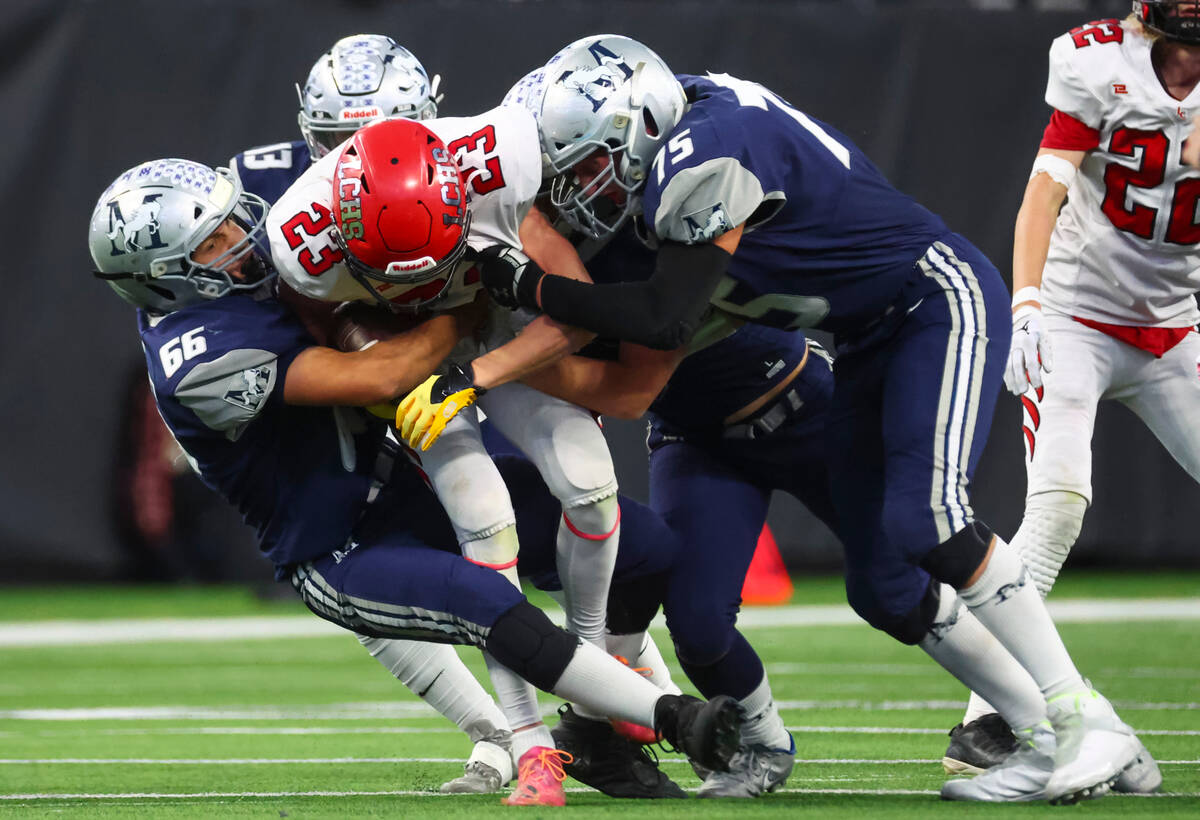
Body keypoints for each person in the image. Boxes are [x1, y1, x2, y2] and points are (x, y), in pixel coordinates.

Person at [449, 35, 1150, 803]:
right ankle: (1072, 736)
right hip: (861, 336)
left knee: (934, 521)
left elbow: (660, 318)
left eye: (582, 166)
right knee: (884, 585)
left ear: (637, 132)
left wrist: (522, 298)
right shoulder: (668, 130)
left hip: (929, 297)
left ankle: (1083, 723)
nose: (569, 187)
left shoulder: (700, 157)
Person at [87, 157, 742, 806]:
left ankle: (597, 732)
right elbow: (384, 375)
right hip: (344, 547)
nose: (241, 236)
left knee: (644, 544)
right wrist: (459, 287)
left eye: (231, 218)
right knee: (490, 605)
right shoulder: (199, 359)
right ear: (167, 278)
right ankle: (675, 718)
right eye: (214, 241)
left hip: (410, 489)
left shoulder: (260, 242)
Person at [265, 106, 636, 799]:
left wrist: (480, 368)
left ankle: (589, 677)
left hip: (497, 329)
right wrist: (390, 356)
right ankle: (531, 746)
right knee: (483, 513)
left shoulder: (498, 162)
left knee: (589, 483)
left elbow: (578, 309)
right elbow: (344, 342)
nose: (422, 277)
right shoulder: (300, 243)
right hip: (411, 356)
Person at [943, 5, 1200, 792]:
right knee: (1057, 506)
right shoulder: (1095, 60)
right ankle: (984, 717)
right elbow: (1043, 193)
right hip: (1078, 315)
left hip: (1177, 325)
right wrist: (1026, 306)